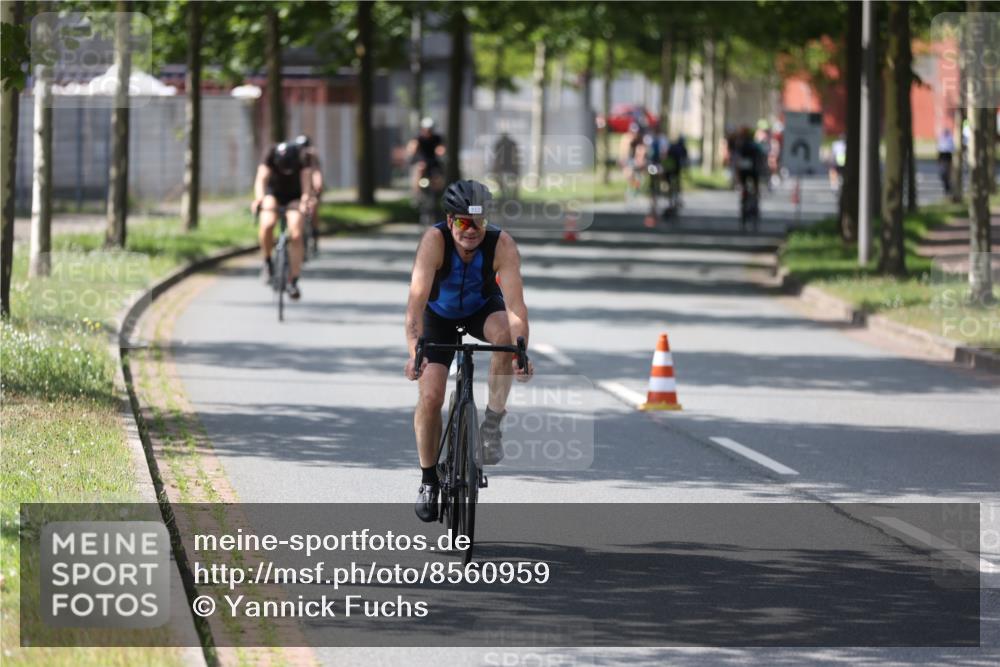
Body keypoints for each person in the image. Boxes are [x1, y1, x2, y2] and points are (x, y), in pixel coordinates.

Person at [404, 179, 534, 522]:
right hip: (438, 316)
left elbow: (516, 308)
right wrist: (414, 350)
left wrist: (520, 351)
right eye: (462, 221)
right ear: (449, 221)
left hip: (481, 309)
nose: (471, 230)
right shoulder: (434, 242)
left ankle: (491, 422)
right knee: (430, 397)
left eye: (478, 222)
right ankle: (429, 479)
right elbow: (416, 304)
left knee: (505, 336)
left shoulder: (501, 244)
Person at [251, 142, 313, 300]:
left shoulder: (302, 156)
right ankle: (267, 261)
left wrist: (306, 201)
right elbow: (261, 179)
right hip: (274, 193)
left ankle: (294, 280)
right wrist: (259, 199)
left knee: (297, 233)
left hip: (295, 196)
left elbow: (307, 184)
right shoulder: (270, 154)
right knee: (267, 224)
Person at [294, 134, 324, 250]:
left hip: (311, 189)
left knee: (313, 208)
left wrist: (317, 188)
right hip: (298, 190)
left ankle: (315, 233)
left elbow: (317, 174)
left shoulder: (312, 159)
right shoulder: (294, 157)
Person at [407, 117, 446, 197]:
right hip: (420, 161)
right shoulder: (418, 138)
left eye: (430, 129)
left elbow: (440, 149)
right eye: (426, 129)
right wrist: (413, 148)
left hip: (433, 161)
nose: (428, 131)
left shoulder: (437, 138)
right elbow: (412, 147)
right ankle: (416, 194)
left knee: (438, 176)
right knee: (420, 168)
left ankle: (437, 194)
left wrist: (440, 150)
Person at [937, 127, 955, 194]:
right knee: (943, 175)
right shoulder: (941, 139)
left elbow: (951, 149)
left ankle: (948, 189)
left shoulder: (949, 139)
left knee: (947, 175)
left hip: (947, 158)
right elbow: (939, 150)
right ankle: (947, 188)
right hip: (942, 158)